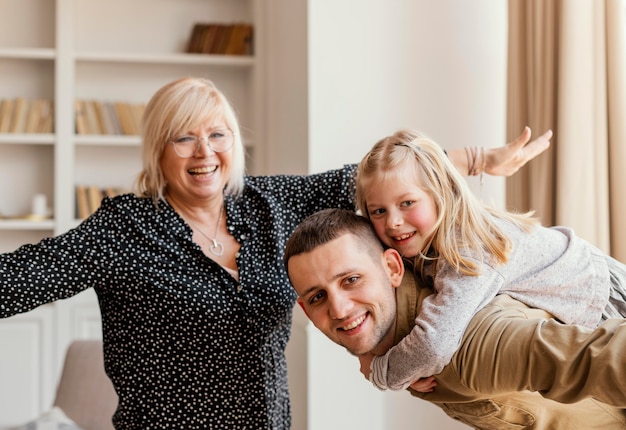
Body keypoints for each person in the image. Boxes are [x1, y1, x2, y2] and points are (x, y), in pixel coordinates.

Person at [0, 77, 552, 429]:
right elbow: (16, 279)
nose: (204, 152)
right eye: (183, 138)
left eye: (217, 134)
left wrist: (479, 158)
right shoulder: (123, 228)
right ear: (158, 151)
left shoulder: (268, 203)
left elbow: (370, 176)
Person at [283, 208, 626, 429]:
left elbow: (606, 357)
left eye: (351, 280)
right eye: (318, 297)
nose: (340, 309)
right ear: (304, 310)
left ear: (392, 267)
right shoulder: (400, 346)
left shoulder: (470, 345)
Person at [353, 129, 626, 392]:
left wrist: (379, 370)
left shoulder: (468, 249)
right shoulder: (414, 244)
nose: (393, 222)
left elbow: (434, 345)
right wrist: (408, 368)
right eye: (378, 211)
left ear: (440, 194)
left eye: (407, 203)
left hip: (598, 296)